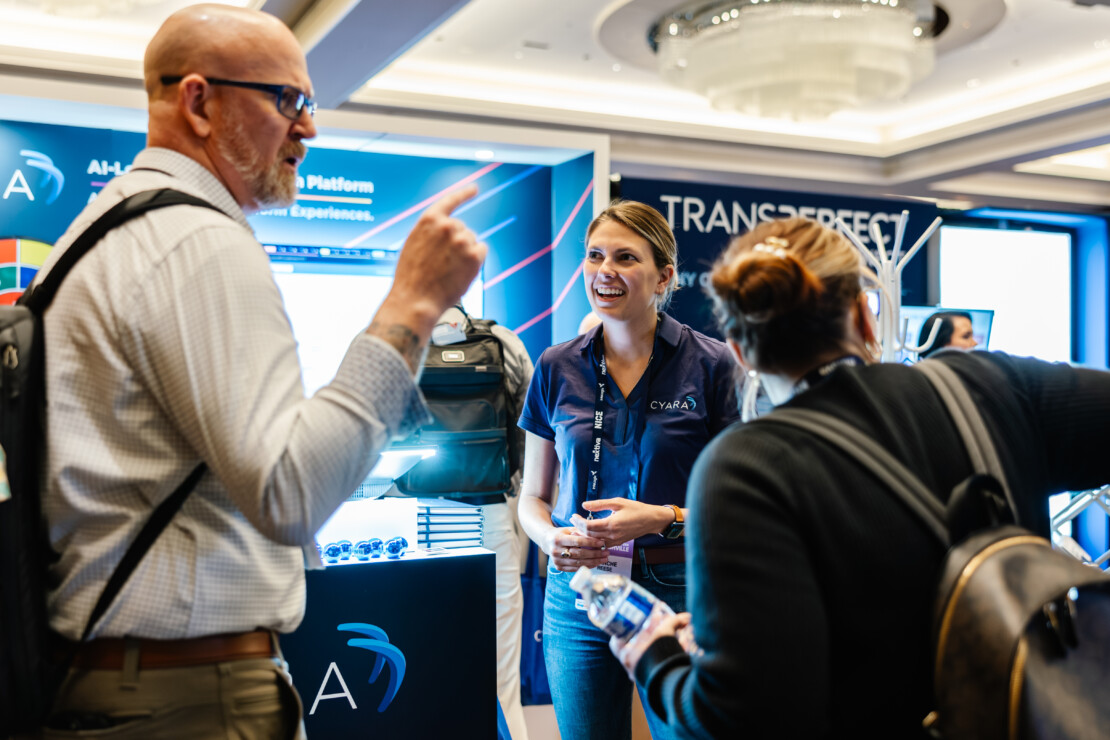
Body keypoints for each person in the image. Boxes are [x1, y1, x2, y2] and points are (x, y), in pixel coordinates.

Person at [35, 5, 484, 738]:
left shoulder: (105, 231)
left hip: (130, 675)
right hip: (190, 692)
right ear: (200, 102)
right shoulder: (198, 244)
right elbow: (292, 492)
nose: (307, 128)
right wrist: (412, 305)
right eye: (288, 101)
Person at [612, 217, 1110, 739]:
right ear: (863, 317)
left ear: (740, 352)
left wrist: (656, 658)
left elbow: (740, 719)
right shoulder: (991, 386)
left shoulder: (745, 468)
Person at [516, 200, 739, 740]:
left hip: (680, 586)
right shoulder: (555, 365)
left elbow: (736, 506)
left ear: (664, 276)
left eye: (625, 257)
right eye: (595, 255)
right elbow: (532, 497)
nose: (605, 270)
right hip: (578, 587)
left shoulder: (712, 365)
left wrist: (663, 516)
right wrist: (552, 540)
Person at [422, 306, 535, 740]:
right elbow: (528, 434)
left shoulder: (390, 341)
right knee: (501, 678)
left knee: (421, 662)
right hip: (488, 515)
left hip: (415, 519)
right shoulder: (505, 342)